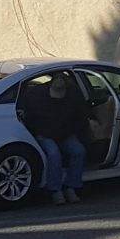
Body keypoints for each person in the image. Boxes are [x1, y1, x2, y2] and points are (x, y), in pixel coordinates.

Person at [24, 71, 89, 204]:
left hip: (65, 134)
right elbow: (33, 119)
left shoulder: (73, 96)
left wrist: (72, 132)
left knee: (79, 151)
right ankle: (55, 189)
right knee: (54, 154)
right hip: (44, 134)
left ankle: (71, 186)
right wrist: (42, 133)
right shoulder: (37, 96)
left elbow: (80, 117)